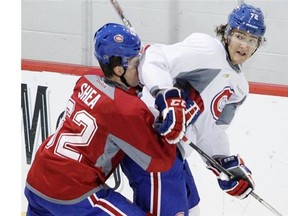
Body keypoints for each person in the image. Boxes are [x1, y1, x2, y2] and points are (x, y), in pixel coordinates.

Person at [121, 3, 266, 215]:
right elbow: (154, 57)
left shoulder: (240, 87)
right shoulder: (207, 49)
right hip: (150, 140)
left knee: (193, 210)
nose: (244, 44)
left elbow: (211, 131)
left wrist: (224, 165)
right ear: (227, 33)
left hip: (175, 151)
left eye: (252, 40)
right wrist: (165, 97)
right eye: (240, 35)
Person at [24, 23, 179, 216]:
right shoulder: (126, 109)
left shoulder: (87, 80)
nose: (141, 70)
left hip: (37, 182)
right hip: (72, 194)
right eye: (136, 63)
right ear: (118, 69)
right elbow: (160, 161)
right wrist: (171, 127)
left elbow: (115, 96)